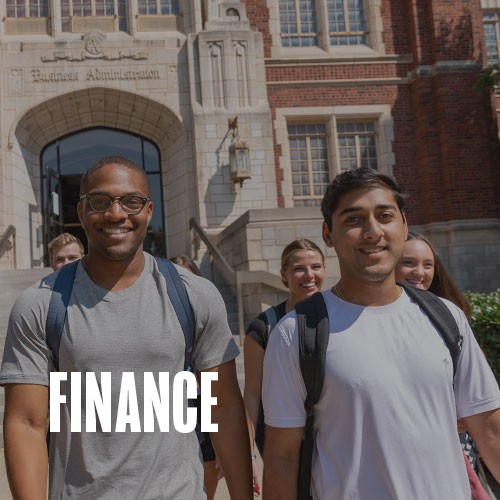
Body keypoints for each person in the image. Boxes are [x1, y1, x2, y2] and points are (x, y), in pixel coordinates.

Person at [1, 156, 253, 500]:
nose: (116, 214)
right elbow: (27, 424)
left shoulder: (194, 294)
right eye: (100, 202)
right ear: (80, 211)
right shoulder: (40, 304)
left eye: (131, 202)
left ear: (149, 211)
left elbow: (223, 407)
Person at [262, 167, 500, 499]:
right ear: (328, 234)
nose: (373, 231)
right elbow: (282, 459)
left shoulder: (447, 317)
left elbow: (489, 430)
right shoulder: (295, 333)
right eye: (353, 220)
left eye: (384, 216)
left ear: (403, 225)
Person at [396, 231, 492, 500]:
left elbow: (478, 385)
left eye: (428, 265)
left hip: (455, 443)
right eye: (409, 263)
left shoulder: (449, 314)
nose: (419, 272)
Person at [244, 239, 326, 493]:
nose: (309, 275)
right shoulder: (264, 327)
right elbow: (253, 394)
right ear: (284, 275)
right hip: (283, 441)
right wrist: (250, 456)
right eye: (299, 269)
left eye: (316, 266)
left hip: (329, 437)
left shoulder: (337, 316)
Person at [170, 254, 221, 500]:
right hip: (167, 406)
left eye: (188, 278)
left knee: (208, 474)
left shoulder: (207, 319)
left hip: (200, 404)